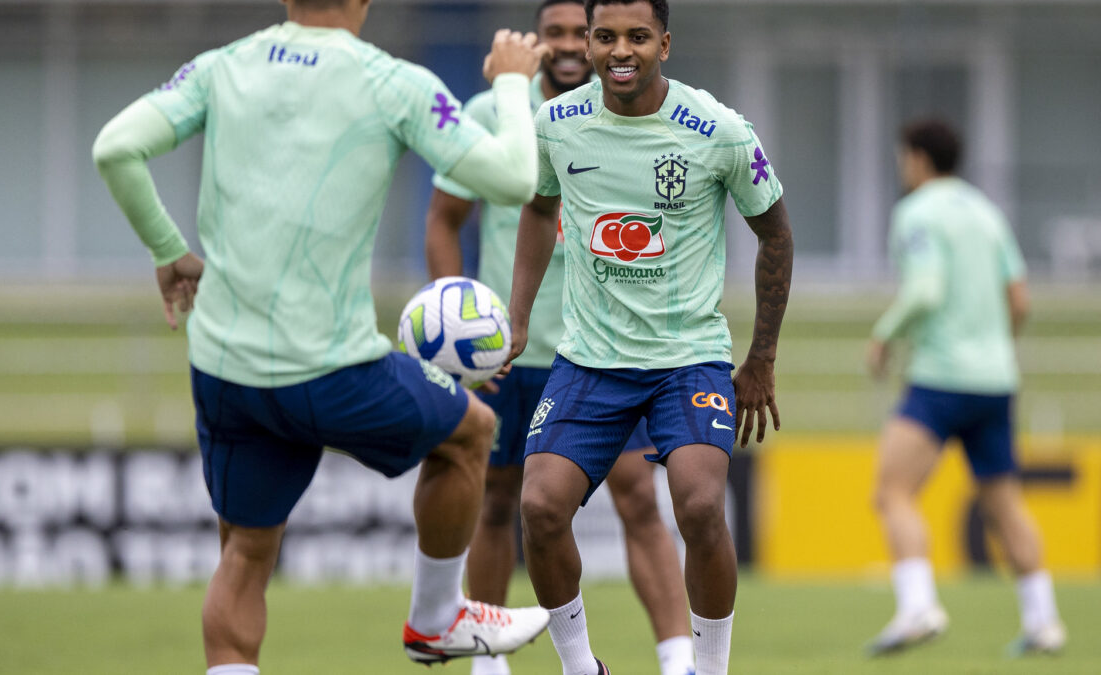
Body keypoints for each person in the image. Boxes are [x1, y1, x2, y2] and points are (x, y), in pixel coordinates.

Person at [92, 1, 556, 672]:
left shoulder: (222, 66)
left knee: (245, 553)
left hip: (225, 368)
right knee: (470, 432)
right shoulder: (394, 83)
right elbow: (513, 178)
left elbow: (115, 148)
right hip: (329, 367)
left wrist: (168, 249)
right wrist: (512, 81)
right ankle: (435, 619)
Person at [506, 1, 794, 673]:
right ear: (590, 43)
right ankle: (582, 667)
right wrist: (519, 316)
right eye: (605, 36)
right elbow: (539, 209)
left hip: (687, 359)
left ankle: (708, 668)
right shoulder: (556, 122)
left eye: (637, 36)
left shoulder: (719, 130)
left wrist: (761, 357)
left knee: (700, 505)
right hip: (590, 359)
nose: (619, 50)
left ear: (664, 43)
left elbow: (775, 233)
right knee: (539, 507)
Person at [425, 2, 695, 674]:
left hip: (606, 353)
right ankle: (490, 662)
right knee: (497, 502)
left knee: (640, 499)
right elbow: (443, 220)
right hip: (510, 356)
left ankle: (678, 659)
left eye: (583, 33)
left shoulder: (631, 116)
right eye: (557, 34)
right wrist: (460, 332)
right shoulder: (494, 112)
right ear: (537, 41)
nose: (571, 46)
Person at [866, 118, 1066, 657]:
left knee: (893, 491)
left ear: (917, 158)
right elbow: (1019, 300)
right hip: (996, 380)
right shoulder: (987, 212)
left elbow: (925, 290)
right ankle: (1043, 622)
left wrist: (884, 335)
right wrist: (995, 348)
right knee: (1004, 502)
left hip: (941, 377)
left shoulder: (916, 212)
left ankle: (917, 607)